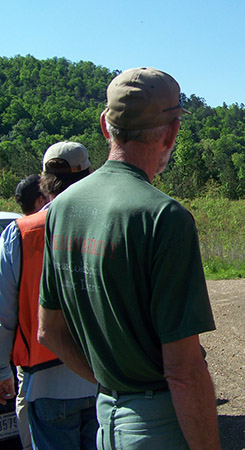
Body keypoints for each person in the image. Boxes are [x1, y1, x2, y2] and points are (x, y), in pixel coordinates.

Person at [37, 68, 221, 449]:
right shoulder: (164, 217)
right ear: (171, 132)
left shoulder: (61, 208)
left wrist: (113, 383)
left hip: (108, 417)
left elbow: (48, 332)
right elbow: (184, 371)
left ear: (106, 126)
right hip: (158, 425)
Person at [0, 142, 97, 450]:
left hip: (44, 383)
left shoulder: (19, 234)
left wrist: (3, 369)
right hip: (103, 377)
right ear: (88, 174)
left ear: (43, 182)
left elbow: (4, 315)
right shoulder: (107, 224)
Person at [12, 174, 45, 450]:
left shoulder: (14, 235)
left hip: (30, 359)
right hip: (67, 359)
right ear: (40, 199)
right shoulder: (56, 227)